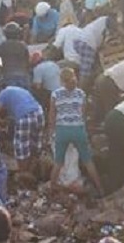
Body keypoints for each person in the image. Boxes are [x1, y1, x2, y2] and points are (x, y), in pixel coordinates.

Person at [47, 67, 104, 195]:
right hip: (78, 129)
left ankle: (52, 188)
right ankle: (100, 189)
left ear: (61, 81)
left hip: (62, 130)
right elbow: (83, 115)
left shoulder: (55, 94)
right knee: (88, 161)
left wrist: (51, 132)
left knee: (58, 162)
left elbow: (52, 116)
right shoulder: (81, 94)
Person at [0, 85, 44, 175]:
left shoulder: (2, 94)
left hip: (25, 115)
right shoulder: (21, 90)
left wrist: (1, 123)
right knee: (34, 146)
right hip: (39, 112)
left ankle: (23, 175)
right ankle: (33, 173)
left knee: (21, 148)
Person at [0, 22, 30, 89]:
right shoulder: (23, 45)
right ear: (18, 33)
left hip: (7, 76)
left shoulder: (0, 46)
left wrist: (3, 68)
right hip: (23, 76)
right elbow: (28, 62)